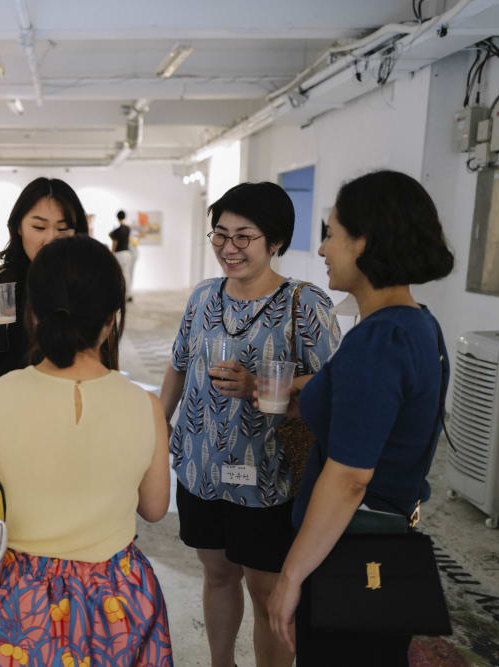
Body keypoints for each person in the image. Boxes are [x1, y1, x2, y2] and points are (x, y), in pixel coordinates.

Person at [0, 235, 173, 665]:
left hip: (19, 605)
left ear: (32, 313)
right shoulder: (145, 406)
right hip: (118, 599)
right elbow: (155, 507)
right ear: (112, 317)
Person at [267, 170, 454, 666]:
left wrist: (290, 577)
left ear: (364, 242)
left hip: (350, 553)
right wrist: (310, 394)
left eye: (331, 234)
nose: (322, 249)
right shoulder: (419, 324)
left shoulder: (379, 340)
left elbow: (350, 477)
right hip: (382, 538)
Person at [158, 182, 339, 667]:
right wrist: (159, 428)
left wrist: (261, 385)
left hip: (268, 477)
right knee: (217, 574)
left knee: (267, 590)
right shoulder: (203, 296)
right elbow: (178, 365)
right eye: (220, 235)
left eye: (244, 237)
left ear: (275, 241)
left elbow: (333, 385)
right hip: (200, 467)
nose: (228, 248)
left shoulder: (305, 303)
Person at [0, 178, 90, 393]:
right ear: (18, 227)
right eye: (39, 227)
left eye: (63, 228)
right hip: (6, 403)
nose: (50, 239)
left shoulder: (89, 285)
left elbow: (106, 368)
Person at [110, 209, 133, 300]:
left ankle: (120, 295)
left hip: (119, 254)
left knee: (118, 275)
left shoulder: (117, 231)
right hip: (127, 253)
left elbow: (114, 243)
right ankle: (128, 294)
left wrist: (111, 253)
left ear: (117, 218)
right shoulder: (128, 229)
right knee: (127, 274)